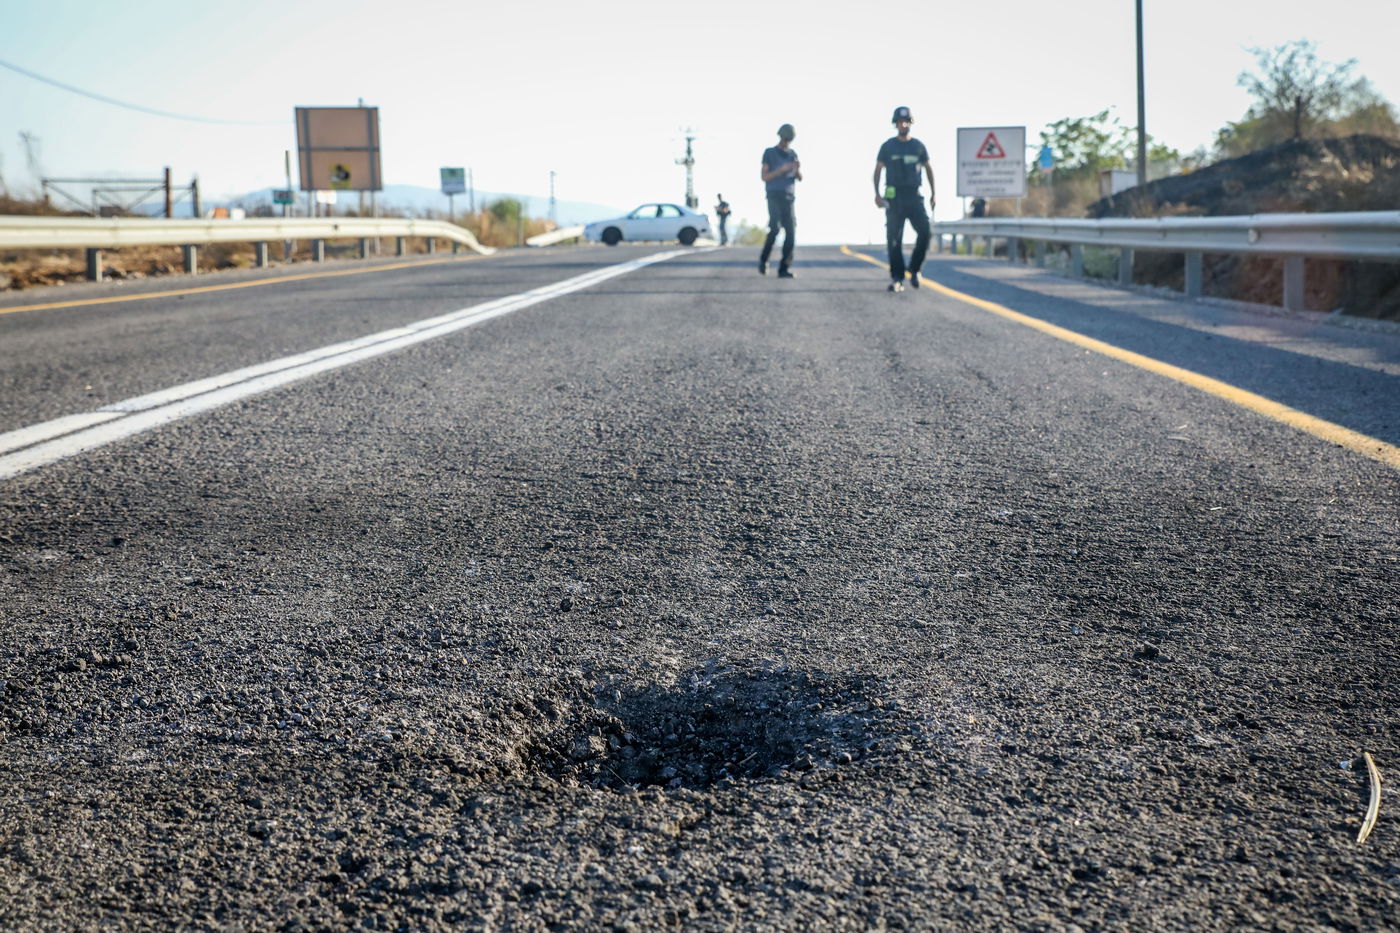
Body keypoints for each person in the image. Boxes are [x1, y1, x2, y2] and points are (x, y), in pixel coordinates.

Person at [873, 106, 935, 292]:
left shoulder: (918, 146)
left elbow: (928, 168)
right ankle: (897, 278)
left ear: (910, 123)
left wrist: (934, 193)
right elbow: (878, 170)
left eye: (906, 122)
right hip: (894, 198)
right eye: (900, 122)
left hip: (914, 196)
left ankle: (915, 269)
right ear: (896, 124)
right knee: (894, 239)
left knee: (925, 232)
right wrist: (877, 194)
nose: (903, 125)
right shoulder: (888, 146)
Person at [759, 123, 801, 278]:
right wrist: (780, 170)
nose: (786, 142)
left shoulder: (793, 154)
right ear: (780, 137)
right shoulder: (769, 153)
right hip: (773, 195)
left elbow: (800, 177)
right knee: (775, 228)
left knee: (791, 233)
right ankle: (764, 260)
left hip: (789, 197)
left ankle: (784, 268)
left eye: (789, 140)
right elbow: (764, 176)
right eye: (785, 139)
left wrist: (796, 169)